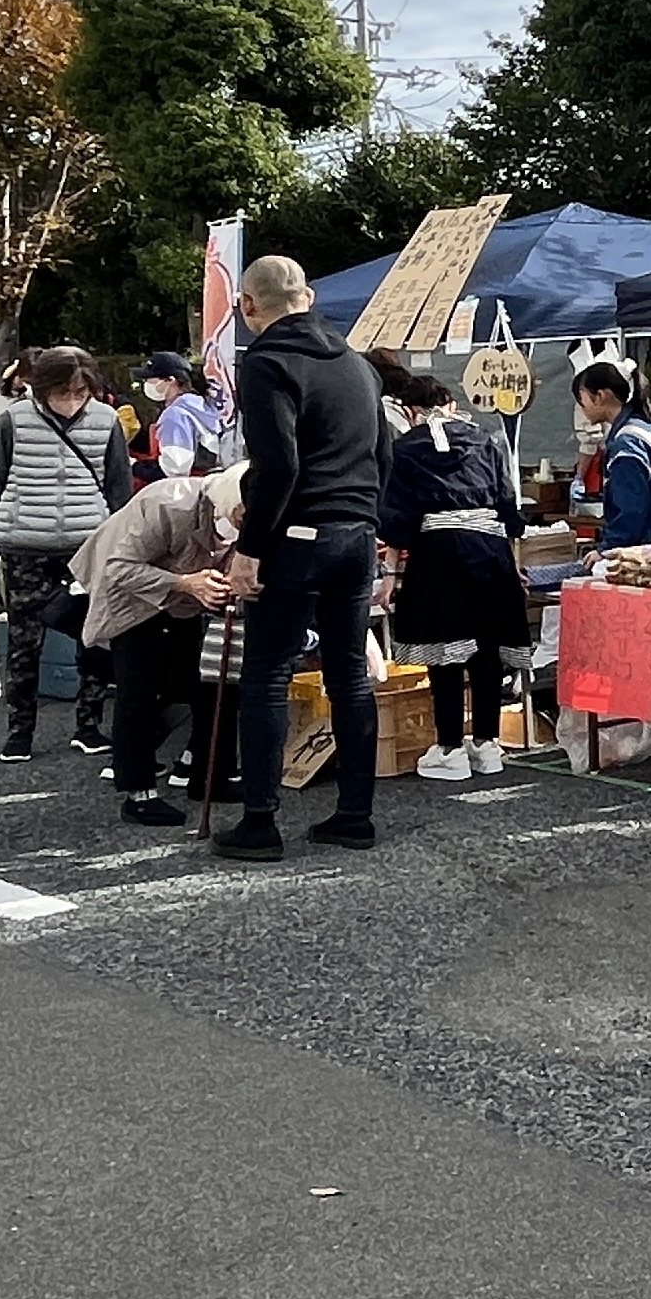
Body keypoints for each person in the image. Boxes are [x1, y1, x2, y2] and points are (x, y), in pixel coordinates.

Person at [216, 255, 386, 861]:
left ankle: (260, 822)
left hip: (297, 533)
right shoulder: (360, 365)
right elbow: (383, 455)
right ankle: (355, 816)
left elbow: (279, 464)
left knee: (267, 673)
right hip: (357, 530)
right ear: (309, 297)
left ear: (248, 306)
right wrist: (369, 519)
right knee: (349, 673)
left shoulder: (266, 363)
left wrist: (250, 548)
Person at [74, 460, 244, 826]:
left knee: (208, 682)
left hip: (186, 599)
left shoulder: (239, 509)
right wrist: (185, 583)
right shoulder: (168, 503)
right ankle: (138, 794)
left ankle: (209, 776)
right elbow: (118, 567)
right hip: (129, 596)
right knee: (138, 691)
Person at [380, 369, 527, 781]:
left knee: (444, 648)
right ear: (448, 404)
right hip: (491, 550)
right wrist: (512, 565)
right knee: (487, 647)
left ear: (411, 411)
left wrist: (390, 575)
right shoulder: (485, 440)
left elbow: (398, 518)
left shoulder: (405, 448)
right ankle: (487, 744)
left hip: (439, 551)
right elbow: (507, 505)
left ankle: (449, 747)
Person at [0, 344, 126, 762]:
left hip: (88, 543)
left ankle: (89, 725)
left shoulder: (107, 420)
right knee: (25, 642)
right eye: (63, 392)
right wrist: (15, 518)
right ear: (41, 387)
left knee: (95, 635)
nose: (73, 401)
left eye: (81, 393)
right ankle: (19, 731)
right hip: (25, 544)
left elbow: (118, 485)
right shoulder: (11, 421)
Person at [573, 357, 651, 552]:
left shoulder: (625, 445)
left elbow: (630, 511)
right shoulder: (647, 426)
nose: (582, 408)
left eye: (581, 400)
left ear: (599, 396)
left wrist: (607, 549)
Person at [139, 354, 228, 483]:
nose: (146, 384)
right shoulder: (202, 406)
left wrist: (135, 466)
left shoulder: (175, 415)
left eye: (150, 379)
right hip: (214, 481)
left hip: (189, 488)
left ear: (170, 380)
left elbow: (175, 469)